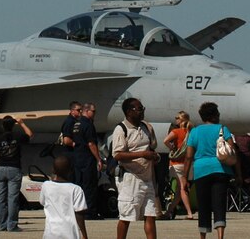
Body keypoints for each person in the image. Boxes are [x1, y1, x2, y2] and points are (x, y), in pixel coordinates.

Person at [184, 101, 239, 239]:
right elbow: (232, 151)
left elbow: (189, 156)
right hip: (221, 169)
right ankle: (220, 236)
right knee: (219, 203)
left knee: (203, 205)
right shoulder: (222, 129)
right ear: (214, 115)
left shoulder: (195, 132)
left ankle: (203, 236)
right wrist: (239, 173)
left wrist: (185, 177)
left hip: (201, 171)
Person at [111, 98, 160, 239]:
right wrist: (142, 154)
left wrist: (154, 157)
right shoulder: (121, 129)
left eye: (142, 108)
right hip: (130, 179)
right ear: (129, 112)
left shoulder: (146, 127)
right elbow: (117, 155)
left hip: (147, 178)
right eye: (139, 109)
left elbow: (151, 148)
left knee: (150, 215)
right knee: (126, 216)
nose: (142, 111)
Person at [0, 114, 33, 232]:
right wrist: (21, 123)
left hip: (1, 168)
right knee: (12, 198)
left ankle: (1, 224)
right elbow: (30, 134)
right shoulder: (17, 136)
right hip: (14, 168)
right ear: (13, 125)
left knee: (1, 197)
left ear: (3, 125)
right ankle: (12, 225)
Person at [39, 155, 89, 239]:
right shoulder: (76, 189)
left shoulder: (46, 186)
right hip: (69, 234)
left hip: (50, 234)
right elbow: (79, 214)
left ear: (53, 170)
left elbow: (42, 202)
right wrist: (84, 234)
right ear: (71, 171)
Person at [70, 102, 104, 219]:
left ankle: (78, 211)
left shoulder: (76, 124)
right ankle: (90, 212)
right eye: (93, 111)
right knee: (89, 186)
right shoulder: (88, 125)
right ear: (87, 111)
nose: (95, 114)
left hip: (77, 157)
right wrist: (98, 159)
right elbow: (91, 143)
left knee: (78, 185)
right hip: (87, 158)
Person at [162, 111, 194, 220]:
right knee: (180, 189)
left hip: (177, 163)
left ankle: (189, 213)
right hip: (188, 163)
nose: (176, 120)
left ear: (181, 120)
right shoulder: (191, 132)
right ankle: (169, 211)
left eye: (177, 118)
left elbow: (165, 141)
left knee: (182, 189)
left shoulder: (176, 131)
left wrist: (172, 148)